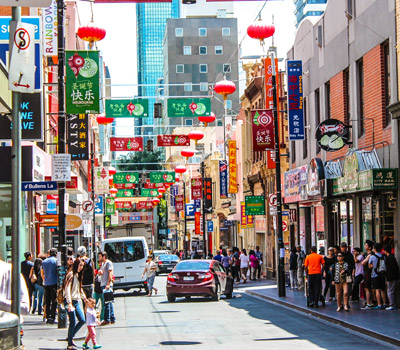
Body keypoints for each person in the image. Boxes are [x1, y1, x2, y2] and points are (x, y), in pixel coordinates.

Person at [64, 257, 88, 350]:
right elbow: (67, 289)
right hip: (70, 301)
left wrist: (84, 298)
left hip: (76, 301)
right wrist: (69, 303)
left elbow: (78, 288)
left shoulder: (77, 275)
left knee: (82, 319)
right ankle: (70, 343)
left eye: (82, 266)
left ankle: (70, 337)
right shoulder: (70, 274)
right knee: (73, 321)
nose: (81, 267)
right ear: (76, 264)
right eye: (80, 265)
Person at [98, 251, 116, 325]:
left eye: (100, 256)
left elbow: (110, 273)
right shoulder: (103, 264)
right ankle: (112, 318)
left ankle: (107, 319)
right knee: (109, 301)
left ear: (104, 256)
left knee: (106, 302)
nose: (99, 258)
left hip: (106, 284)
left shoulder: (108, 263)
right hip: (104, 283)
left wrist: (108, 283)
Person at [41, 248, 58, 324]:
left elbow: (42, 272)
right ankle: (53, 316)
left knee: (47, 301)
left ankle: (47, 316)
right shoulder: (56, 261)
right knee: (54, 301)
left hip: (46, 282)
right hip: (54, 282)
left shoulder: (44, 261)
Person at [368, 242, 387, 310]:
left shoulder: (372, 257)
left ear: (375, 249)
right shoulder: (384, 256)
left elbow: (370, 266)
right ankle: (385, 303)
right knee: (383, 290)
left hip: (375, 275)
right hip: (382, 274)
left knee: (377, 290)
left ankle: (379, 304)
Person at [383, 245, 399, 310]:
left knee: (390, 291)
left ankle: (392, 304)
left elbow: (391, 268)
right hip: (393, 276)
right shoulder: (392, 257)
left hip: (391, 277)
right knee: (391, 290)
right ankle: (392, 304)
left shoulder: (389, 258)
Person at [361, 240, 375, 309]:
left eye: (366, 245)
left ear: (370, 247)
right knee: (367, 288)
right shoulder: (366, 254)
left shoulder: (370, 254)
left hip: (368, 273)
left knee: (367, 288)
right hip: (366, 272)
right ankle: (370, 302)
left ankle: (369, 303)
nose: (365, 246)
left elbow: (363, 263)